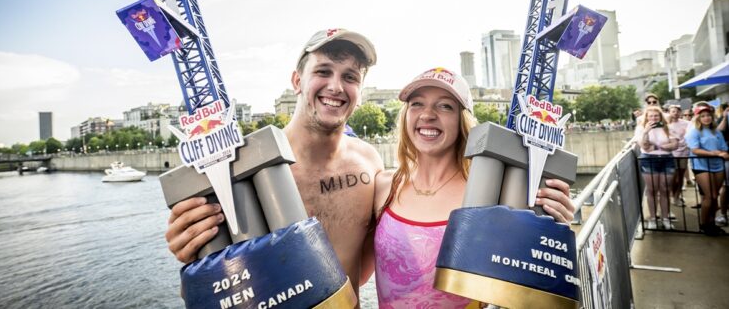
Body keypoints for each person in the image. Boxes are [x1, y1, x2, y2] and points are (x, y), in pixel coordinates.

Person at [164, 28, 384, 302]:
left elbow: (364, 269)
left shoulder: (369, 163)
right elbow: (210, 287)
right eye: (323, 71)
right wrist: (189, 245)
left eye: (350, 77)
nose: (336, 86)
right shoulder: (242, 169)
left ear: (360, 93)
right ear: (297, 81)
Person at [367, 68, 575, 307]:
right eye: (416, 104)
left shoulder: (489, 195)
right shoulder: (383, 187)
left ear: (462, 120)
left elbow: (531, 282)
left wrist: (554, 231)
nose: (427, 114)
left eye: (445, 106)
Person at [686, 104, 729, 235]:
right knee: (708, 197)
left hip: (718, 166)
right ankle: (704, 224)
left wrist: (722, 153)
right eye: (703, 116)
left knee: (715, 196)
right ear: (698, 117)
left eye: (708, 115)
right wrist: (715, 153)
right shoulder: (694, 131)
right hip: (701, 166)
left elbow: (724, 148)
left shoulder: (716, 132)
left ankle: (712, 223)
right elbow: (695, 150)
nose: (706, 118)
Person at [635, 106, 678, 230]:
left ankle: (665, 218)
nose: (653, 118)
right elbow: (644, 145)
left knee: (665, 190)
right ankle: (653, 218)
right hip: (649, 160)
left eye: (656, 116)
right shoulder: (641, 128)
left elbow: (675, 145)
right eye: (651, 116)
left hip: (667, 160)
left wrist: (657, 147)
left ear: (660, 117)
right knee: (652, 190)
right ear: (646, 117)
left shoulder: (668, 128)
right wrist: (646, 132)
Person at [668, 104, 690, 207]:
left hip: (683, 152)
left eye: (677, 111)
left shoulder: (686, 123)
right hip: (671, 153)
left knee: (681, 176)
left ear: (680, 112)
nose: (675, 113)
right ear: (669, 112)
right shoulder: (666, 124)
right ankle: (673, 194)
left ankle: (677, 196)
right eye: (673, 111)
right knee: (673, 176)